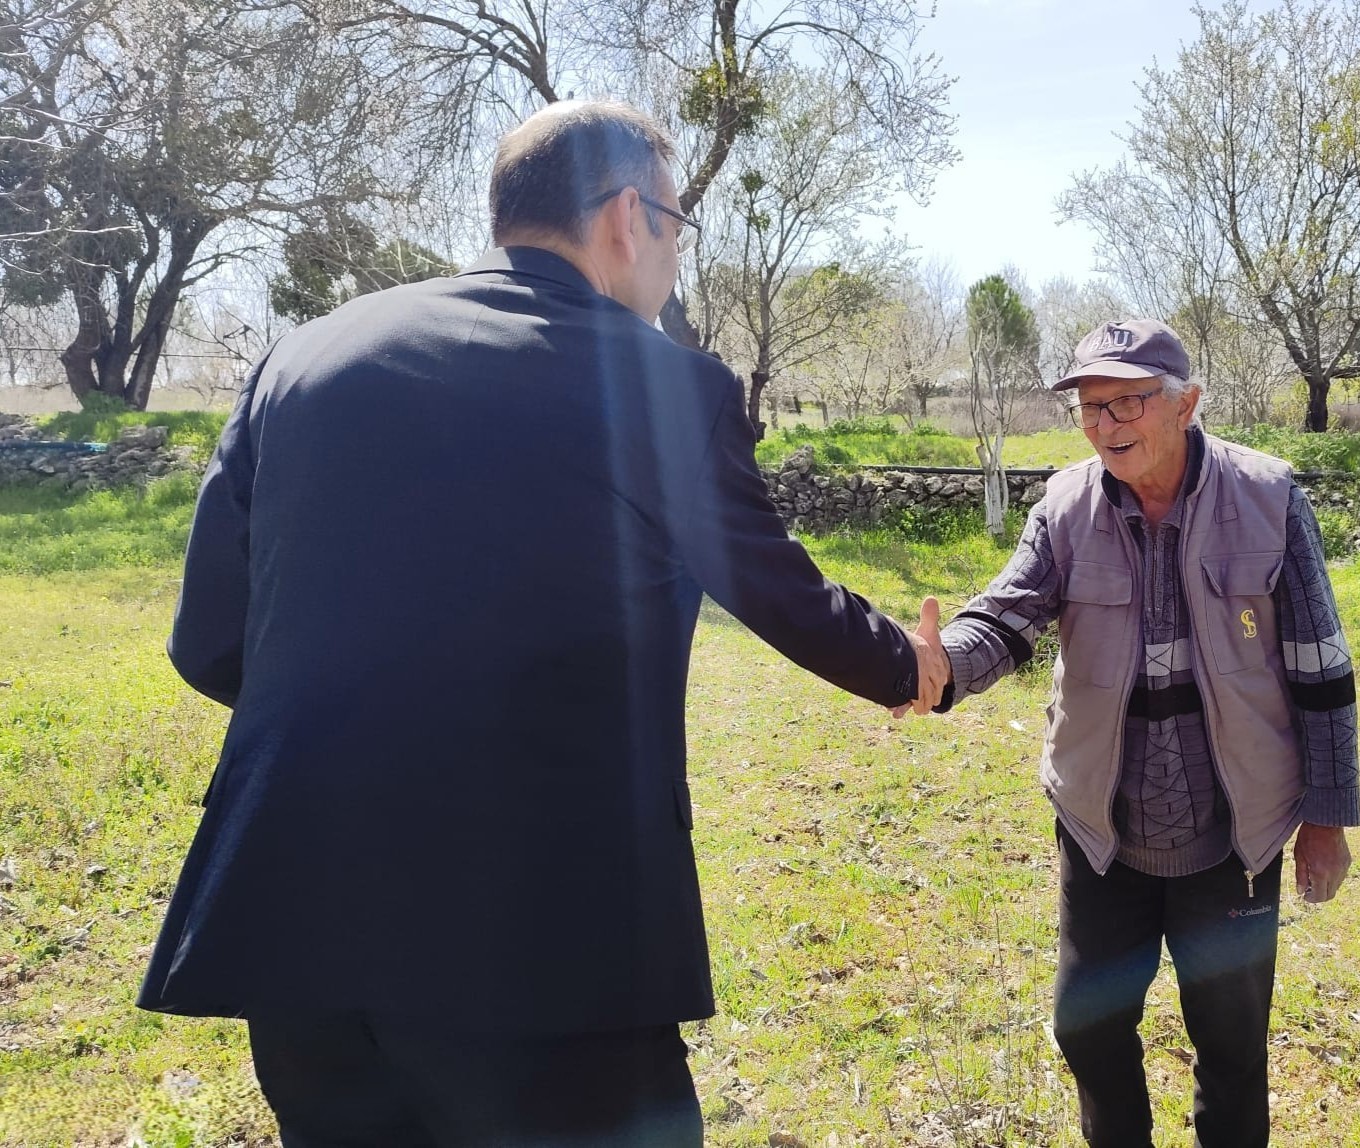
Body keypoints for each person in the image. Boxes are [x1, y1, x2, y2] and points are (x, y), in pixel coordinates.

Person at [138, 100, 948, 1147]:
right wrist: (909, 666)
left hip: (298, 919)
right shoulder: (662, 386)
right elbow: (783, 594)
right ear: (626, 217)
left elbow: (208, 642)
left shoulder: (300, 359)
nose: (670, 260)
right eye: (674, 226)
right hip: (546, 937)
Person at [910, 319, 1360, 1147]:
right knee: (1086, 1025)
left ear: (1185, 403)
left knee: (1230, 1044)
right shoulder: (1065, 506)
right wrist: (935, 669)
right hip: (1103, 827)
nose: (1107, 424)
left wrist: (1325, 821)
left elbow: (1319, 667)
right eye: (1090, 406)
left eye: (1127, 402)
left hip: (1232, 834)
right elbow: (1005, 618)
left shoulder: (1267, 498)